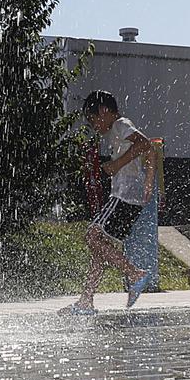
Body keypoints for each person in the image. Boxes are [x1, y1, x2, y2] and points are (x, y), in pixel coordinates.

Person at [60, 90, 155, 316]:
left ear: (103, 111)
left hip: (123, 196)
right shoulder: (118, 130)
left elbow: (144, 143)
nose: (94, 126)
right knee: (98, 250)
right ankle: (86, 301)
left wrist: (116, 165)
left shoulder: (120, 124)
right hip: (130, 198)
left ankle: (134, 273)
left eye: (93, 119)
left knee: (91, 236)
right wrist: (149, 183)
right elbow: (151, 151)